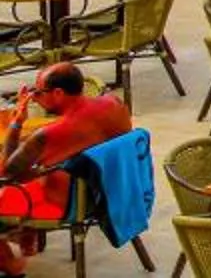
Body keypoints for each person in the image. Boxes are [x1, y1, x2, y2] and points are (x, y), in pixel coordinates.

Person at [0, 64, 131, 272]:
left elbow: (7, 172)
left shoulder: (50, 134)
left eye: (38, 92)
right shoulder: (114, 104)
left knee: (12, 183)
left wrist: (16, 123)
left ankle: (11, 264)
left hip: (75, 204)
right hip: (116, 190)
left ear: (59, 93)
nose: (34, 97)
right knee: (33, 171)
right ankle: (25, 233)